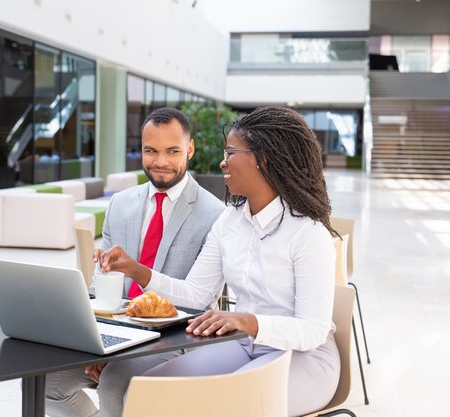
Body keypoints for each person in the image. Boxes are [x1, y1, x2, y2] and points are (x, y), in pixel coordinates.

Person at [100, 106, 341, 417]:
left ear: (262, 159)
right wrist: (137, 271)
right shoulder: (230, 222)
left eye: (231, 152)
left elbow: (313, 330)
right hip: (245, 344)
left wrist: (246, 320)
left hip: (305, 357)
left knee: (226, 407)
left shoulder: (307, 233)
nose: (222, 162)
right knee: (148, 388)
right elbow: (196, 294)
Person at [45, 107, 225, 417]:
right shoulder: (121, 204)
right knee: (45, 380)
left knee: (115, 381)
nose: (161, 162)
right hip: (121, 333)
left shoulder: (216, 214)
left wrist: (118, 357)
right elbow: (102, 283)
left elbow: (202, 299)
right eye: (150, 151)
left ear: (190, 149)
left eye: (173, 151)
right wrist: (96, 343)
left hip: (178, 340)